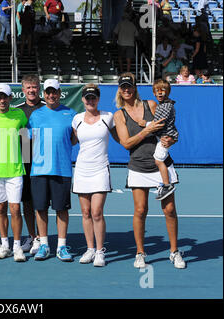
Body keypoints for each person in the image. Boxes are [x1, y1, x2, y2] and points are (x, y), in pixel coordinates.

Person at [113, 73, 186, 269]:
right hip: (138, 166)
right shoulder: (119, 115)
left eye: (129, 86)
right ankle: (140, 253)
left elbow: (168, 128)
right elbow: (126, 143)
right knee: (140, 210)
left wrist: (172, 139)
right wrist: (146, 130)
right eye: (123, 87)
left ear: (135, 88)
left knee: (169, 210)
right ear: (120, 90)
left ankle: (174, 252)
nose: (127, 90)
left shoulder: (152, 105)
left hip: (160, 164)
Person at [28, 79, 76, 262]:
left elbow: (73, 139)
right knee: (40, 209)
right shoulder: (35, 115)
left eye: (54, 92)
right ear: (43, 94)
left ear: (59, 92)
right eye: (47, 92)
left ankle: (61, 246)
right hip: (39, 170)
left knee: (61, 209)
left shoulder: (70, 113)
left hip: (62, 169)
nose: (51, 95)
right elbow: (29, 140)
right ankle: (44, 245)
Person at [72, 84, 119, 267]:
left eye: (93, 97)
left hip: (100, 169)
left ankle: (100, 251)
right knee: (85, 212)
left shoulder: (108, 117)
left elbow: (120, 137)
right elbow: (72, 141)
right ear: (83, 100)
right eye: (87, 98)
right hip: (82, 169)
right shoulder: (76, 119)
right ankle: (90, 249)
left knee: (96, 212)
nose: (90, 101)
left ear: (98, 99)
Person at [0, 83, 28, 262]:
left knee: (15, 209)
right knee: (0, 208)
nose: (2, 100)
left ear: (10, 98)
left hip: (15, 170)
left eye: (5, 97)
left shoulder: (19, 115)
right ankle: (5, 245)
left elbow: (26, 132)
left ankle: (17, 247)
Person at [15, 74, 45, 255]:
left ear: (38, 89)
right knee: (27, 202)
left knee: (41, 203)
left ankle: (42, 238)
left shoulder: (47, 108)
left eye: (34, 87)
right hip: (24, 163)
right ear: (23, 90)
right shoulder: (17, 111)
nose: (32, 90)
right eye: (28, 87)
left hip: (43, 163)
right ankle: (32, 236)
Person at [137, 79, 179, 200]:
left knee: (158, 159)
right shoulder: (163, 105)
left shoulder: (165, 106)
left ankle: (167, 185)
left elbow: (159, 123)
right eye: (157, 90)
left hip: (166, 137)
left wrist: (145, 124)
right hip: (164, 136)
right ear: (154, 93)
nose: (160, 93)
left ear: (168, 92)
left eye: (163, 90)